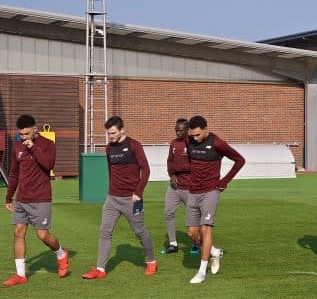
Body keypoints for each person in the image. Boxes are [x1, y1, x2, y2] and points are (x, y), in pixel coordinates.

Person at [82, 116, 157, 279]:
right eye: (109, 134)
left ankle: (151, 261)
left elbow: (146, 170)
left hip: (132, 199)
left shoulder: (134, 145)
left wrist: (138, 192)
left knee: (140, 231)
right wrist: (111, 191)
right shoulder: (109, 148)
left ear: (122, 130)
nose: (111, 137)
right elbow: (111, 171)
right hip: (112, 199)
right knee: (105, 231)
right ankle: (100, 269)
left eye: (113, 133)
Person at [4, 115, 69, 286]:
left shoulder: (48, 144)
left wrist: (34, 148)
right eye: (21, 134)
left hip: (41, 198)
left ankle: (61, 254)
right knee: (18, 232)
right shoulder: (17, 146)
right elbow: (14, 174)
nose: (23, 137)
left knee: (43, 235)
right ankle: (20, 275)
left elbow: (49, 165)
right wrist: (9, 196)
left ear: (35, 129)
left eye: (26, 134)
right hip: (21, 199)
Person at [186, 115, 245, 284]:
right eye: (192, 135)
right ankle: (214, 251)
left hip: (210, 192)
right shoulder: (189, 141)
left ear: (205, 130)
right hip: (193, 192)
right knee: (192, 233)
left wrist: (224, 181)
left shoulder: (218, 143)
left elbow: (240, 160)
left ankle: (202, 271)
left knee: (205, 230)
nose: (195, 138)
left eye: (197, 134)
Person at [162, 118, 199, 254]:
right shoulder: (173, 143)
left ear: (187, 130)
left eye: (180, 130)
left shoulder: (193, 144)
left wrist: (179, 169)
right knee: (168, 212)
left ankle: (197, 243)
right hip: (175, 186)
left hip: (190, 187)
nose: (177, 132)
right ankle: (173, 244)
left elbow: (195, 164)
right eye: (176, 130)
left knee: (193, 217)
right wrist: (172, 175)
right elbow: (170, 161)